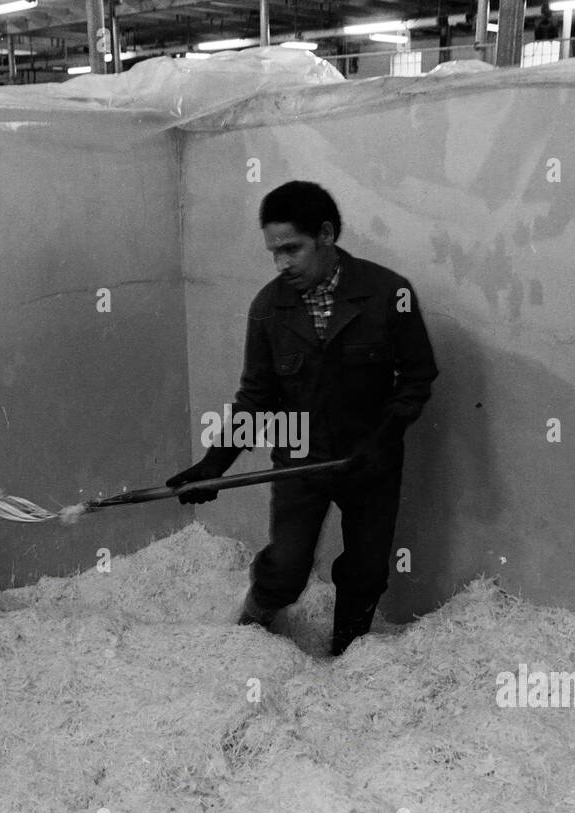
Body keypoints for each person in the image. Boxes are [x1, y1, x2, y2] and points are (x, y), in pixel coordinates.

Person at [168, 181, 438, 656]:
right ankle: (252, 625)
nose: (281, 264)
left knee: (367, 569)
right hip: (300, 459)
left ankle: (346, 654)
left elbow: (416, 377)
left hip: (370, 462)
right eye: (273, 252)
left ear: (327, 235)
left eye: (291, 249)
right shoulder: (268, 309)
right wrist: (213, 465)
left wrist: (386, 436)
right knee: (287, 565)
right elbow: (255, 397)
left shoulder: (389, 293)